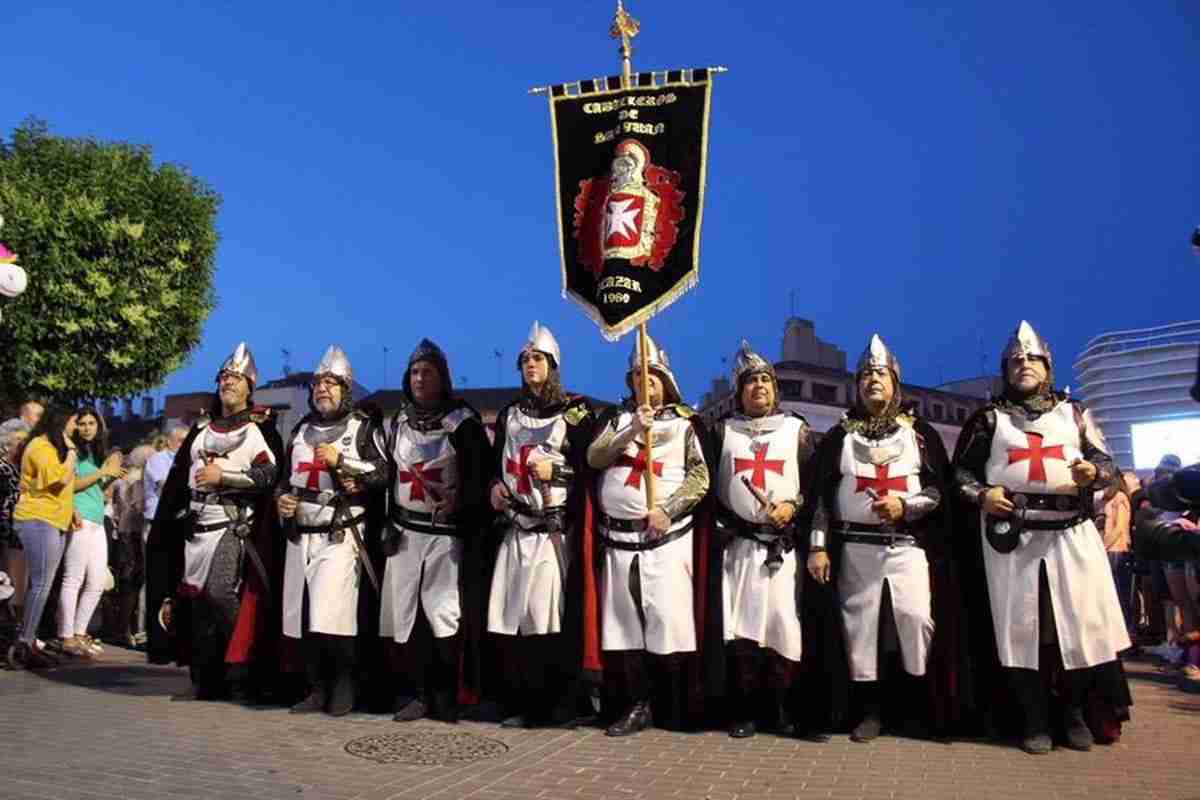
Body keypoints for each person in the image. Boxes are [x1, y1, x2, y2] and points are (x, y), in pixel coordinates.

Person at [953, 321, 1131, 754]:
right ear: (1005, 369)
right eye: (1016, 360)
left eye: (1032, 358)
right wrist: (984, 493)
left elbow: (1109, 468)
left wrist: (1095, 474)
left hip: (1071, 534)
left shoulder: (1074, 413)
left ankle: (1072, 715)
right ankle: (1033, 720)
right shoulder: (988, 419)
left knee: (1079, 629)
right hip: (1012, 539)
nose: (1024, 365)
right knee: (1023, 631)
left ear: (1048, 366)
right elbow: (960, 473)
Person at [805, 335, 957, 742]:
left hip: (906, 547)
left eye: (881, 373)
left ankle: (917, 708)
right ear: (856, 385)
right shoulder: (839, 437)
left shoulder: (919, 433)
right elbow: (821, 497)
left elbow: (939, 491)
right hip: (854, 548)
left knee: (915, 620)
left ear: (895, 382)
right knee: (861, 630)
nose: (873, 379)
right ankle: (868, 711)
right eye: (866, 375)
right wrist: (818, 546)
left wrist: (906, 507)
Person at [145, 342, 283, 702]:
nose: (228, 383)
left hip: (232, 523)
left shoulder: (259, 429)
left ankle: (243, 671)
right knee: (195, 602)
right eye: (224, 377)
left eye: (236, 379)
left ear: (250, 387)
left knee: (222, 594)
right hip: (194, 523)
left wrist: (225, 477)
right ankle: (204, 678)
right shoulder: (202, 428)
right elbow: (179, 479)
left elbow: (269, 474)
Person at [586, 334, 710, 737]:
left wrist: (667, 510)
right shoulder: (615, 419)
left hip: (666, 539)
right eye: (637, 377)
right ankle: (635, 706)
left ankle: (672, 706)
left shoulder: (685, 423)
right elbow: (595, 458)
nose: (645, 384)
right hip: (617, 541)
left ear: (666, 382)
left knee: (667, 622)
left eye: (652, 378)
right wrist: (631, 429)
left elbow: (700, 476)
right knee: (623, 626)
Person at [487, 322, 597, 728]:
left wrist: (560, 470)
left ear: (553, 364)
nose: (530, 364)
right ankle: (524, 703)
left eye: (538, 358)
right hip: (516, 526)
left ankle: (560, 706)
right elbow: (496, 463)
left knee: (551, 620)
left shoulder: (577, 412)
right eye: (525, 359)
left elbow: (592, 469)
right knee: (515, 619)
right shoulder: (510, 414)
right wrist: (494, 487)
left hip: (553, 531)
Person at [379, 339, 491, 723]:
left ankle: (446, 696)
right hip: (405, 534)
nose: (419, 379)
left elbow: (481, 477)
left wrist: (462, 501)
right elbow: (390, 478)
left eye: (427, 372)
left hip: (445, 536)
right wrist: (387, 522)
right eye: (414, 372)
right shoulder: (399, 422)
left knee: (443, 616)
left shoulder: (464, 424)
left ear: (443, 378)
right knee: (405, 617)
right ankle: (417, 693)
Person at [705, 341, 811, 738]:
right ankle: (746, 711)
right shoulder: (722, 432)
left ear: (776, 388)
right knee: (742, 630)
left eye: (765, 379)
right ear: (739, 391)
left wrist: (793, 507)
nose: (758, 386)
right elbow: (708, 494)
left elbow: (814, 487)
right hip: (739, 546)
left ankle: (781, 710)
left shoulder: (796, 430)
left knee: (782, 625)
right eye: (750, 381)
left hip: (781, 547)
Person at [277, 346, 387, 717]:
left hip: (340, 534)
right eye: (317, 383)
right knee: (305, 613)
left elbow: (383, 475)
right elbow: (283, 481)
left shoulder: (362, 427)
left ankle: (344, 684)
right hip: (302, 533)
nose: (322, 388)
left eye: (331, 382)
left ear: (345, 388)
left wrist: (344, 462)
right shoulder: (301, 429)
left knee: (333, 613)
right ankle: (316, 686)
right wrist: (284, 502)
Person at [6, 405, 79, 669]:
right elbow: (57, 480)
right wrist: (71, 452)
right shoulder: (41, 447)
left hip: (54, 519)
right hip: (39, 519)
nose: (75, 429)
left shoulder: (49, 447)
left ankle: (29, 639)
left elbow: (64, 488)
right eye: (73, 423)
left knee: (45, 584)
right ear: (60, 424)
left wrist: (72, 511)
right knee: (40, 584)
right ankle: (24, 642)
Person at [57, 409, 124, 658]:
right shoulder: (72, 451)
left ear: (99, 425)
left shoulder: (98, 452)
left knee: (96, 581)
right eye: (82, 424)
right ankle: (66, 636)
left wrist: (110, 479)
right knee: (73, 578)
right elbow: (71, 485)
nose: (86, 428)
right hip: (79, 518)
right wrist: (102, 473)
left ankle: (79, 632)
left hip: (96, 517)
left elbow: (96, 488)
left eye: (91, 423)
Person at [141, 425, 188, 644]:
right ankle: (148, 633)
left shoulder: (189, 462)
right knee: (155, 578)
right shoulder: (159, 460)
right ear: (170, 442)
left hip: (180, 527)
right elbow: (165, 489)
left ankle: (173, 632)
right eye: (180, 440)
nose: (184, 445)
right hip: (158, 525)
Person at [0, 428, 28, 575]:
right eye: (18, 439)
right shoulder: (2, 468)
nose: (23, 443)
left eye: (26, 440)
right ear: (6, 446)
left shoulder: (24, 470)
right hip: (6, 535)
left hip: (19, 533)